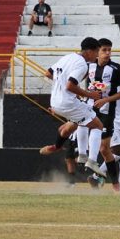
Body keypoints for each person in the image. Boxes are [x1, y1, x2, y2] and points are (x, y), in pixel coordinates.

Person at [38, 37, 105, 175]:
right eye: (97, 51)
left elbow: (48, 73)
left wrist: (63, 87)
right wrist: (89, 95)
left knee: (77, 123)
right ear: (89, 51)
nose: (97, 55)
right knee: (97, 125)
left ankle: (64, 148)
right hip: (67, 102)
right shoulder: (82, 64)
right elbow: (70, 86)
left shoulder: (68, 57)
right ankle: (91, 161)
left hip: (55, 102)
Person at [82, 39, 120, 192]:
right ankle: (82, 156)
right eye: (104, 50)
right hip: (89, 109)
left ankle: (115, 185)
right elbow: (85, 83)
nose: (107, 53)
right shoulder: (88, 66)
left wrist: (105, 100)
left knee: (104, 149)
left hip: (107, 113)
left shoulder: (117, 69)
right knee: (73, 127)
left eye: (110, 50)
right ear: (97, 51)